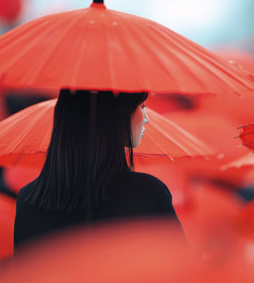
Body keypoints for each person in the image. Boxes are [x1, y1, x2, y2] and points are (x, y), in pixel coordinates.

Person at [14, 90, 184, 251]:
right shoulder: (149, 193)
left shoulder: (28, 200)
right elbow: (180, 269)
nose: (146, 118)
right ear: (117, 116)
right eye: (141, 106)